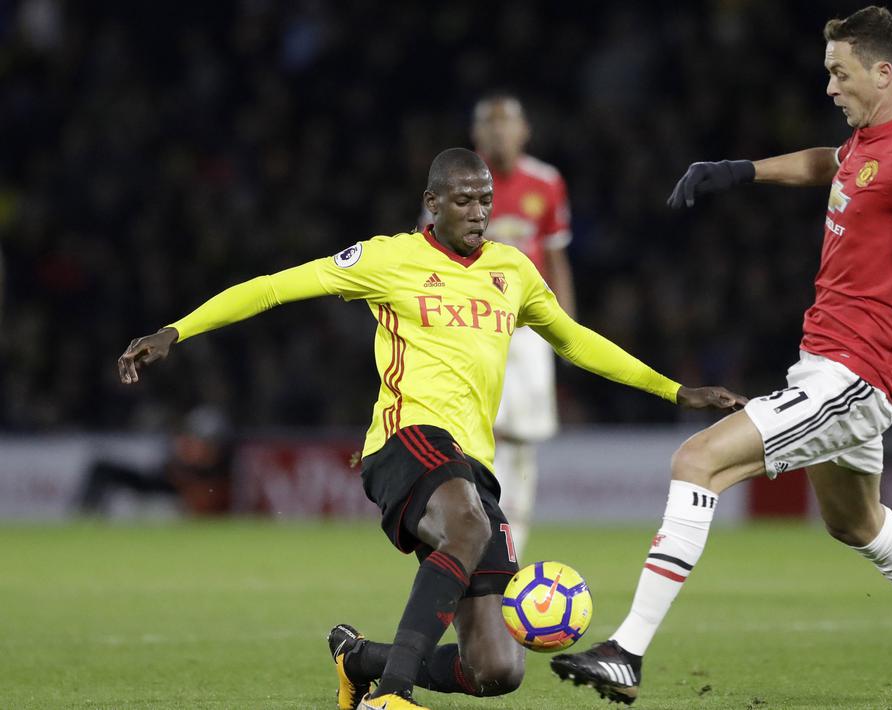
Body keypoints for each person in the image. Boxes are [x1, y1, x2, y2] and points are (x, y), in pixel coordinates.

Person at [117, 148, 744, 710]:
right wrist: (176, 331)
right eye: (464, 200)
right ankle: (391, 697)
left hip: (472, 465)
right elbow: (276, 288)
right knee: (467, 524)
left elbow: (575, 341)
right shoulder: (389, 258)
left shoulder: (512, 271)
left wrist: (674, 389)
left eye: (486, 201)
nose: (478, 212)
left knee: (496, 669)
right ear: (432, 203)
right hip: (405, 440)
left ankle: (361, 662)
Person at [551, 8, 892, 709]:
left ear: (883, 71)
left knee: (696, 461)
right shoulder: (870, 142)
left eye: (839, 72)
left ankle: (626, 651)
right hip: (832, 364)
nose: (828, 85)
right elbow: (823, 164)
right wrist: (739, 171)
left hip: (856, 372)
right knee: (854, 522)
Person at [471, 93, 575, 557]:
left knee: (523, 437)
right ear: (477, 135)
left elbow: (556, 256)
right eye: (489, 125)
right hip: (469, 322)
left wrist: (566, 328)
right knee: (476, 428)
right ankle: (475, 528)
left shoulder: (546, 182)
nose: (499, 132)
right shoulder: (459, 179)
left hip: (528, 324)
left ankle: (513, 539)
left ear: (524, 130)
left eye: (507, 123)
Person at [77, 404, 233, 516]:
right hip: (163, 484)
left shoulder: (222, 469)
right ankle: (85, 515)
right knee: (102, 469)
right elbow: (168, 470)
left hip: (176, 495)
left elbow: (205, 496)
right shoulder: (185, 452)